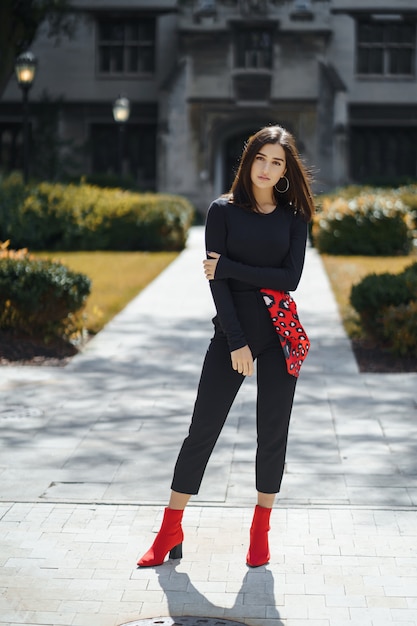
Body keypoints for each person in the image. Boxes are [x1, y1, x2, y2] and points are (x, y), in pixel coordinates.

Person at [137, 124, 315, 568]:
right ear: (248, 159)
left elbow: (289, 280)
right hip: (233, 333)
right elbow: (218, 289)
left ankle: (260, 529)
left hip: (279, 334)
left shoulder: (295, 216)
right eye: (261, 158)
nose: (268, 168)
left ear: (285, 170)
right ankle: (170, 529)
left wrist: (230, 267)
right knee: (202, 431)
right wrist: (236, 341)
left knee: (272, 434)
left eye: (278, 162)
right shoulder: (222, 211)